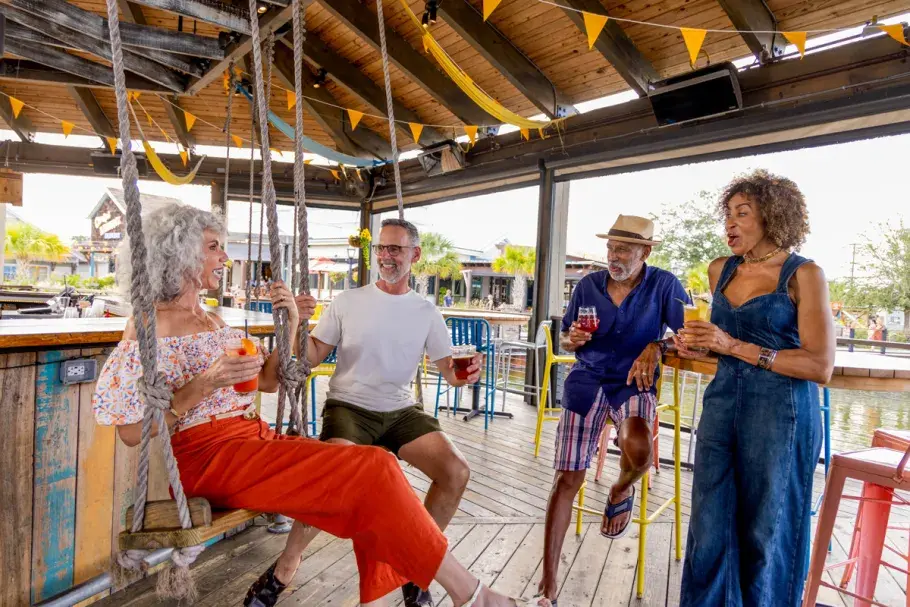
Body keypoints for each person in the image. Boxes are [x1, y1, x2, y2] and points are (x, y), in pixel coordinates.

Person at [92, 204, 548, 607]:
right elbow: (131, 432)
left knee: (377, 479)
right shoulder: (149, 324)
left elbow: (267, 381)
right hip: (208, 456)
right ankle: (475, 595)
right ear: (181, 254)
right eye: (214, 247)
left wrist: (291, 321)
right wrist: (203, 384)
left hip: (253, 440)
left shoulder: (212, 319)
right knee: (373, 470)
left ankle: (433, 597)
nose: (224, 257)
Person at [249, 217, 482, 607]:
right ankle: (284, 568)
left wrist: (466, 375)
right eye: (381, 248)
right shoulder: (347, 301)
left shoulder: (426, 312)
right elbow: (312, 355)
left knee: (455, 471)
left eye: (396, 249)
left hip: (401, 410)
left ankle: (416, 568)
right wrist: (296, 324)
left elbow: (449, 371)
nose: (387, 256)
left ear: (415, 255)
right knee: (332, 478)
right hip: (349, 407)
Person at [677, 170, 834, 606]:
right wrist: (701, 344)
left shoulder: (804, 275)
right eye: (727, 213)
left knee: (766, 531)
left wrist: (733, 345)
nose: (730, 223)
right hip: (722, 405)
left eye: (742, 213)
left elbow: (820, 366)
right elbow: (722, 348)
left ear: (772, 217)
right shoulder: (720, 270)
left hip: (780, 415)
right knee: (708, 527)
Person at [536, 215, 688, 605]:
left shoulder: (664, 285)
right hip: (587, 380)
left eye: (623, 249)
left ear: (645, 251)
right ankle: (547, 584)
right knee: (566, 478)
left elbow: (689, 335)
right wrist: (572, 339)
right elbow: (568, 337)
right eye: (610, 248)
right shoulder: (588, 285)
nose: (613, 256)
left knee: (639, 449)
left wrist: (658, 346)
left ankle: (620, 489)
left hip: (633, 381)